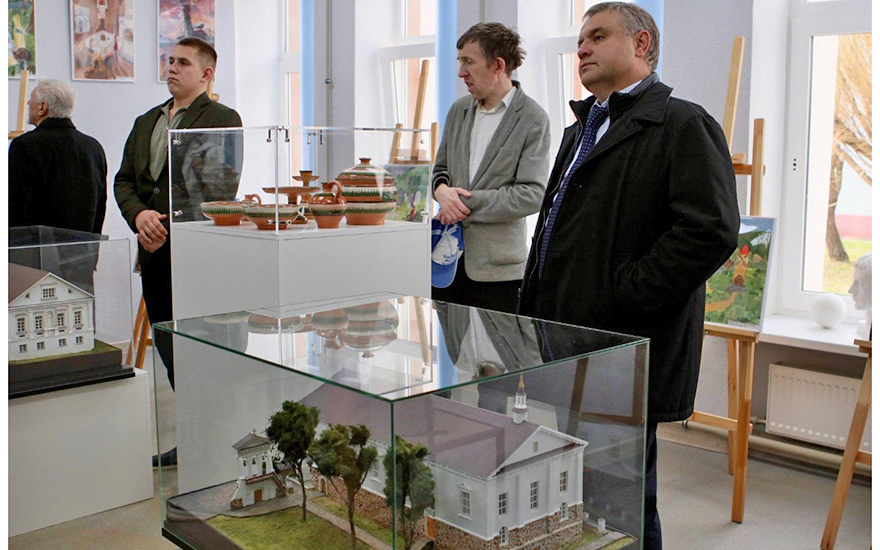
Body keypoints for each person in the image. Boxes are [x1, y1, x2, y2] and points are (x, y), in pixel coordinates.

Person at [517, 3, 740, 548]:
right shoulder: (581, 130)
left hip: (623, 349)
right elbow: (557, 232)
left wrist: (625, 294)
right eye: (580, 41)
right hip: (568, 343)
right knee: (583, 497)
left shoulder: (682, 124)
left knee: (622, 505)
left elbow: (709, 231)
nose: (582, 49)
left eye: (598, 36)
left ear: (642, 45)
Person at [114, 36, 242, 394]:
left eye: (183, 63)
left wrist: (161, 225)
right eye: (171, 61)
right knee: (169, 351)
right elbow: (124, 180)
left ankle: (209, 424)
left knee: (203, 354)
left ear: (206, 74)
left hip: (195, 255)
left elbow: (219, 188)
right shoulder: (145, 121)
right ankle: (187, 426)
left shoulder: (221, 118)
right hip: (153, 253)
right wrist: (140, 216)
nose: (171, 68)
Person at [431, 22, 551, 314]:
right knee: (450, 346)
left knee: (499, 347)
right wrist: (442, 191)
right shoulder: (458, 110)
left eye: (468, 62)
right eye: (460, 62)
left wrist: (460, 203)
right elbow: (440, 171)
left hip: (499, 274)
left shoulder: (533, 118)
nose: (461, 73)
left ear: (498, 65)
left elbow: (531, 195)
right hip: (446, 264)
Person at [9, 79, 107, 234]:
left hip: (35, 245)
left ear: (42, 107)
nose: (28, 103)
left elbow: (15, 203)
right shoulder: (94, 147)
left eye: (31, 99)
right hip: (82, 245)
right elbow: (99, 206)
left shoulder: (24, 145)